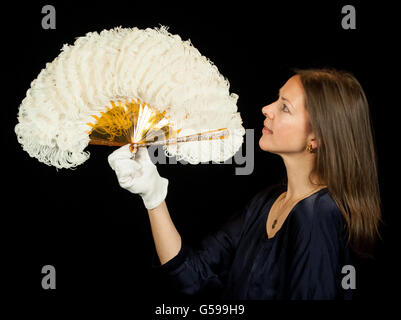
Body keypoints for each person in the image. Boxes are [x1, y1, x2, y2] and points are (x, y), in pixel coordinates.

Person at [107, 68, 381, 300]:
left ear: (316, 138)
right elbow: (193, 275)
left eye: (285, 107)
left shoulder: (319, 216)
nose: (267, 109)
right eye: (276, 100)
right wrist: (153, 196)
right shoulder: (267, 201)